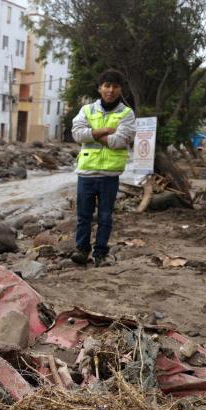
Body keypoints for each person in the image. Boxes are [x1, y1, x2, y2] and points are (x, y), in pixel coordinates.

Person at [70, 68, 137, 267]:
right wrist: (105, 130)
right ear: (100, 88)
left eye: (115, 86)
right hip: (87, 172)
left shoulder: (127, 113)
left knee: (106, 216)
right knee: (83, 216)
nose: (110, 90)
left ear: (120, 89)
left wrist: (93, 133)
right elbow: (77, 134)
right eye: (107, 86)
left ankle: (100, 252)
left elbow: (120, 140)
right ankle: (81, 250)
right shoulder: (87, 110)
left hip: (110, 174)